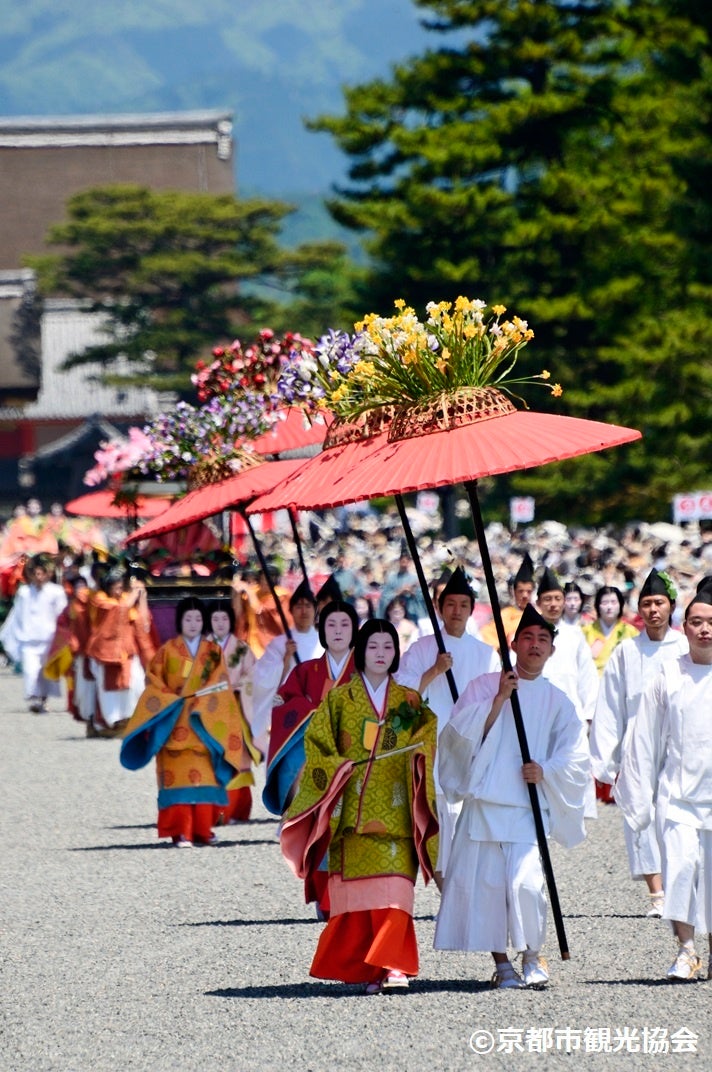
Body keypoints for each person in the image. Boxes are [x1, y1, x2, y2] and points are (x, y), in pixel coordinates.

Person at [434, 604, 590, 988]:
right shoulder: (485, 686)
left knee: (525, 883)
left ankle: (533, 954)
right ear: (513, 644)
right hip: (486, 805)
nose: (535, 645)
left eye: (543, 640)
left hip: (526, 806)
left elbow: (574, 754)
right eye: (528, 638)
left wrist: (546, 770)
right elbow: (457, 738)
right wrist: (499, 699)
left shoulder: (559, 701)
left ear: (552, 649)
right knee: (487, 888)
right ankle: (502, 964)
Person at [280, 619, 439, 993]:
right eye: (373, 647)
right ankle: (370, 968)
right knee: (363, 901)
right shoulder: (339, 700)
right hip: (351, 812)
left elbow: (427, 740)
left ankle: (394, 966)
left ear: (396, 653)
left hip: (397, 811)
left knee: (395, 893)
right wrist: (339, 769)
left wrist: (417, 756)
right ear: (361, 653)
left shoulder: (409, 701)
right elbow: (318, 747)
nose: (381, 654)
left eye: (388, 647)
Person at [617, 586, 712, 981]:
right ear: (684, 627)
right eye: (697, 623)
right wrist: (638, 797)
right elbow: (643, 736)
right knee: (682, 867)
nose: (705, 630)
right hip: (677, 793)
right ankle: (686, 950)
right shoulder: (669, 672)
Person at [590, 568, 688, 917]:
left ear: (672, 605)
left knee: (678, 816)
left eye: (659, 602)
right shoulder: (625, 652)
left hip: (681, 744)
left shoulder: (687, 647)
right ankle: (656, 893)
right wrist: (605, 758)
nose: (653, 610)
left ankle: (680, 884)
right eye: (646, 603)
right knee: (641, 817)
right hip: (637, 744)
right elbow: (610, 705)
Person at [397, 566, 500, 884]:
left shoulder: (486, 654)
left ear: (472, 610)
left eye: (463, 605)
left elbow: (496, 700)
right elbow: (400, 696)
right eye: (450, 604)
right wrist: (433, 671)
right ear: (440, 607)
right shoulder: (423, 649)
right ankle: (448, 889)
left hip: (469, 744)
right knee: (441, 819)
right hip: (433, 744)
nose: (456, 611)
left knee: (470, 817)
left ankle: (467, 889)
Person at [120, 596, 243, 848]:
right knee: (178, 782)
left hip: (204, 725)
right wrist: (172, 701)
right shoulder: (167, 651)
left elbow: (221, 687)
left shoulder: (213, 652)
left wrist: (200, 703)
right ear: (180, 621)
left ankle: (203, 831)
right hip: (173, 724)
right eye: (188, 618)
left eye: (198, 618)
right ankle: (181, 832)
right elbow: (153, 683)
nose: (194, 623)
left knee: (204, 782)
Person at [250, 580, 323, 756]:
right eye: (298, 606)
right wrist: (286, 660)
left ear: (315, 611)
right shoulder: (279, 643)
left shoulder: (325, 641)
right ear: (290, 611)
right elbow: (261, 677)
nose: (304, 611)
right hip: (289, 707)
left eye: (308, 606)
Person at [208, 599, 260, 824]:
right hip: (211, 710)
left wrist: (241, 686)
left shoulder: (241, 648)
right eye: (215, 619)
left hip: (238, 708)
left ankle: (239, 809)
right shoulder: (203, 648)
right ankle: (217, 810)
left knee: (239, 756)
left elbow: (254, 676)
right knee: (214, 755)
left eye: (224, 619)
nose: (220, 623)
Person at [85, 568, 153, 737]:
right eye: (115, 585)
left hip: (127, 651)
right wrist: (134, 593)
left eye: (121, 585)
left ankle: (129, 720)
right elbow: (119, 610)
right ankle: (110, 722)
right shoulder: (100, 600)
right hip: (105, 651)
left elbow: (142, 622)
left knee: (136, 684)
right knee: (108, 691)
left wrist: (142, 597)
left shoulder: (125, 599)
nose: (119, 589)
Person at [11, 554, 67, 713]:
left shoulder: (56, 591)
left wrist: (61, 638)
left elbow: (61, 615)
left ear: (48, 574)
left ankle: (42, 700)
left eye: (42, 573)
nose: (38, 577)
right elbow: (19, 615)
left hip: (49, 638)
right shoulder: (24, 592)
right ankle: (34, 698)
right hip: (29, 639)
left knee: (46, 673)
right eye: (35, 573)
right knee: (31, 670)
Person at [479, 552, 535, 652]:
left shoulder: (539, 615)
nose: (525, 595)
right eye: (521, 591)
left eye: (529, 591)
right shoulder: (506, 615)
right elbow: (488, 636)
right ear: (514, 592)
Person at [582, 586, 639, 675]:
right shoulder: (585, 631)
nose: (609, 607)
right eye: (605, 603)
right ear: (597, 605)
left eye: (613, 602)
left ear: (620, 605)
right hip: (592, 681)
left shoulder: (631, 632)